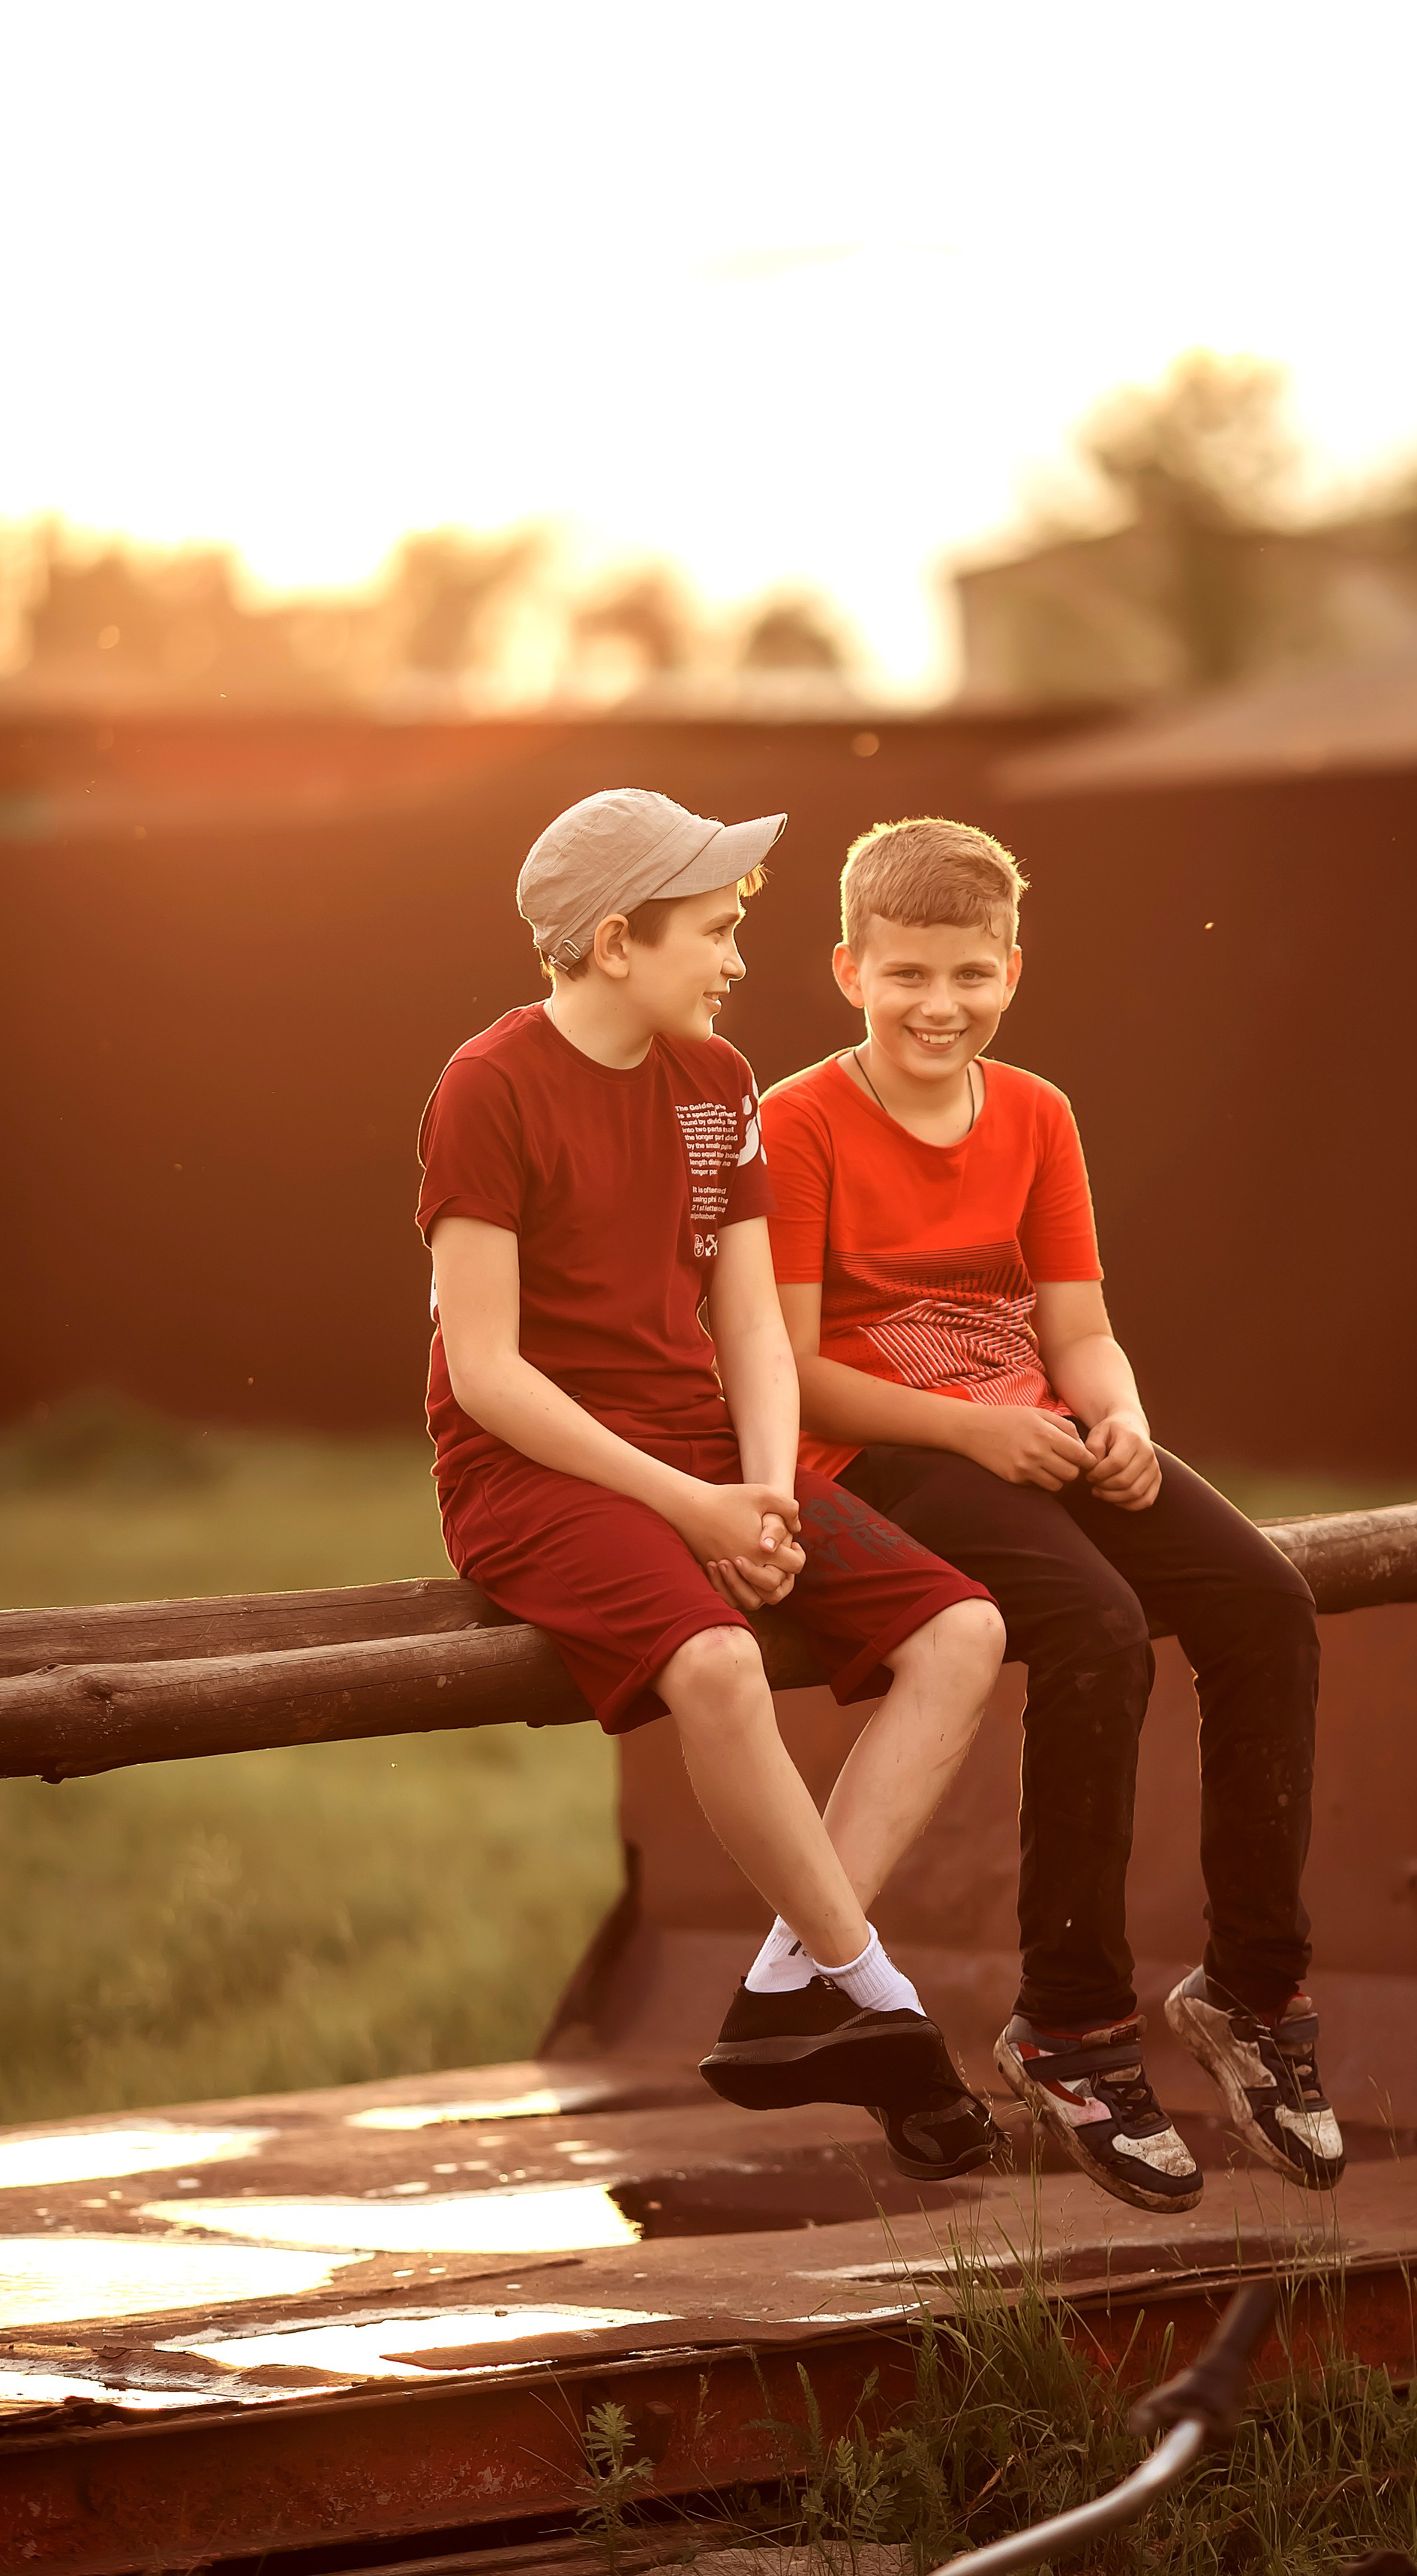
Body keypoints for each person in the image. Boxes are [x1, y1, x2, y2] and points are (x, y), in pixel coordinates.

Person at [747, 816, 1343, 2213]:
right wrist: (977, 1428)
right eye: (906, 975)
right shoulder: (800, 1121)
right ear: (848, 968)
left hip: (1037, 1427)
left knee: (1265, 1602)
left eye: (968, 974)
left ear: (1013, 969)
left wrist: (1121, 1420)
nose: (938, 1005)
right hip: (882, 1449)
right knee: (1095, 1625)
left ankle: (1253, 1992)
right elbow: (786, 1365)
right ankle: (1072, 2027)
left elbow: (1079, 1328)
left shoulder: (1038, 1113)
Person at [415, 787, 1007, 2181]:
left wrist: (764, 1493)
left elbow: (748, 1324)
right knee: (724, 1664)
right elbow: (489, 1373)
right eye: (714, 930)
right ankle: (881, 2004)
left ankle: (793, 1987)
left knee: (963, 1631)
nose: (740, 958)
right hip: (531, 1470)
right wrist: (696, 1517)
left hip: (706, 1453)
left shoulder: (721, 1082)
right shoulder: (486, 1088)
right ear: (617, 943)